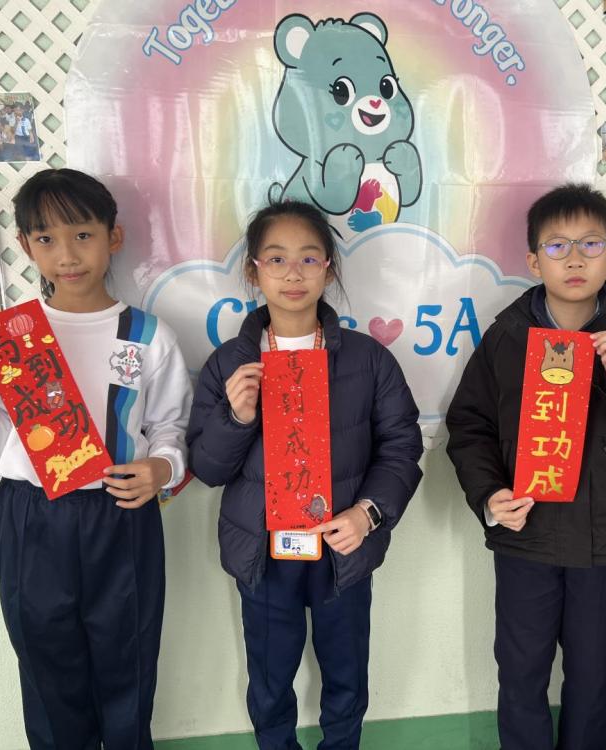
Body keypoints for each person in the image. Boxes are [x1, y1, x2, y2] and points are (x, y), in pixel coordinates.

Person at [0, 168, 192, 749]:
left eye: (82, 235)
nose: (67, 255)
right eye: (46, 238)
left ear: (113, 237)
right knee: (45, 658)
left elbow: (170, 426)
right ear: (26, 246)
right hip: (32, 516)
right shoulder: (9, 337)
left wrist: (162, 469)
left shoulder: (148, 335)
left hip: (121, 515)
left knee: (129, 656)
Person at [446, 183, 606, 750]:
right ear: (534, 261)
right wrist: (489, 496)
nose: (575, 259)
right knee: (520, 673)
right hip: (527, 535)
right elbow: (470, 426)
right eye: (557, 246)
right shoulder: (508, 337)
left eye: (590, 244)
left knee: (593, 677)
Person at [186, 200, 423, 749]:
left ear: (328, 269)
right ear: (254, 271)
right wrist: (236, 417)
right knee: (270, 680)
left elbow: (401, 446)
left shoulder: (368, 359)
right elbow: (209, 469)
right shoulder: (229, 363)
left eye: (309, 258)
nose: (293, 273)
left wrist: (367, 515)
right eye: (276, 259)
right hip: (263, 552)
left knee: (347, 674)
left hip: (342, 547)